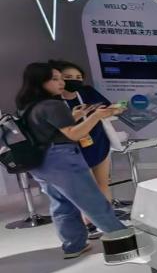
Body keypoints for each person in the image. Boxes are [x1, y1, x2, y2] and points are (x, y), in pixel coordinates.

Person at [15, 63, 125, 258]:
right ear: (40, 81)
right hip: (62, 159)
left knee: (62, 204)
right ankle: (123, 240)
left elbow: (49, 131)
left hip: (41, 163)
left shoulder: (28, 107)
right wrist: (95, 116)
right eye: (55, 79)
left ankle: (74, 245)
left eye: (61, 78)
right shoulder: (53, 105)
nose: (62, 83)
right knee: (92, 201)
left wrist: (77, 116)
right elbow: (74, 134)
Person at [52, 60, 116, 206]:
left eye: (78, 77)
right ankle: (93, 218)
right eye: (68, 77)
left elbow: (108, 107)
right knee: (87, 190)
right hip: (73, 149)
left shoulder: (86, 91)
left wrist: (114, 109)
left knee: (103, 185)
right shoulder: (52, 102)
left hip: (97, 142)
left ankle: (108, 216)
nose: (74, 81)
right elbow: (55, 128)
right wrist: (73, 117)